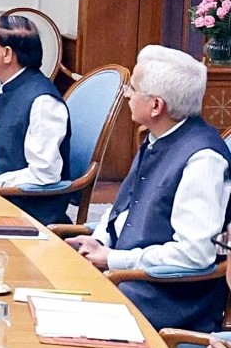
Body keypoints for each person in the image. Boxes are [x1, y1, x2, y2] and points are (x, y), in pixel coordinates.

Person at [67, 45, 231, 332]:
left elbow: (194, 254)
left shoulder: (203, 159)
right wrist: (100, 241)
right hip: (130, 277)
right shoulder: (158, 136)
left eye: (133, 89)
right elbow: (126, 206)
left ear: (156, 106)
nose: (127, 95)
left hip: (169, 298)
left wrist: (114, 259)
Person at [0, 15, 71, 224]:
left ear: (7, 54)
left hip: (27, 214)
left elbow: (44, 174)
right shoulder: (4, 86)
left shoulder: (42, 101)